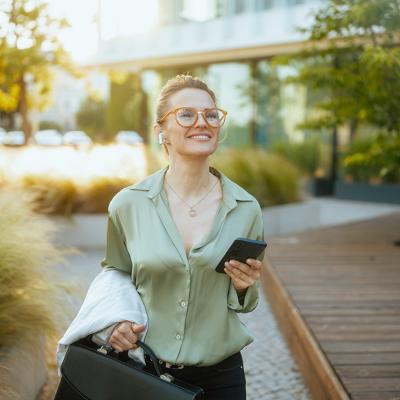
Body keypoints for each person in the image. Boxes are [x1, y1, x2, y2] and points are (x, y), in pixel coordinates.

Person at [101, 74, 265, 400]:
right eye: (186, 114)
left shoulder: (247, 209)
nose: (201, 122)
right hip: (144, 372)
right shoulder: (128, 204)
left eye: (211, 114)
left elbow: (243, 303)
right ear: (160, 130)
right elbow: (115, 273)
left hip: (222, 378)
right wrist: (114, 323)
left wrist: (244, 285)